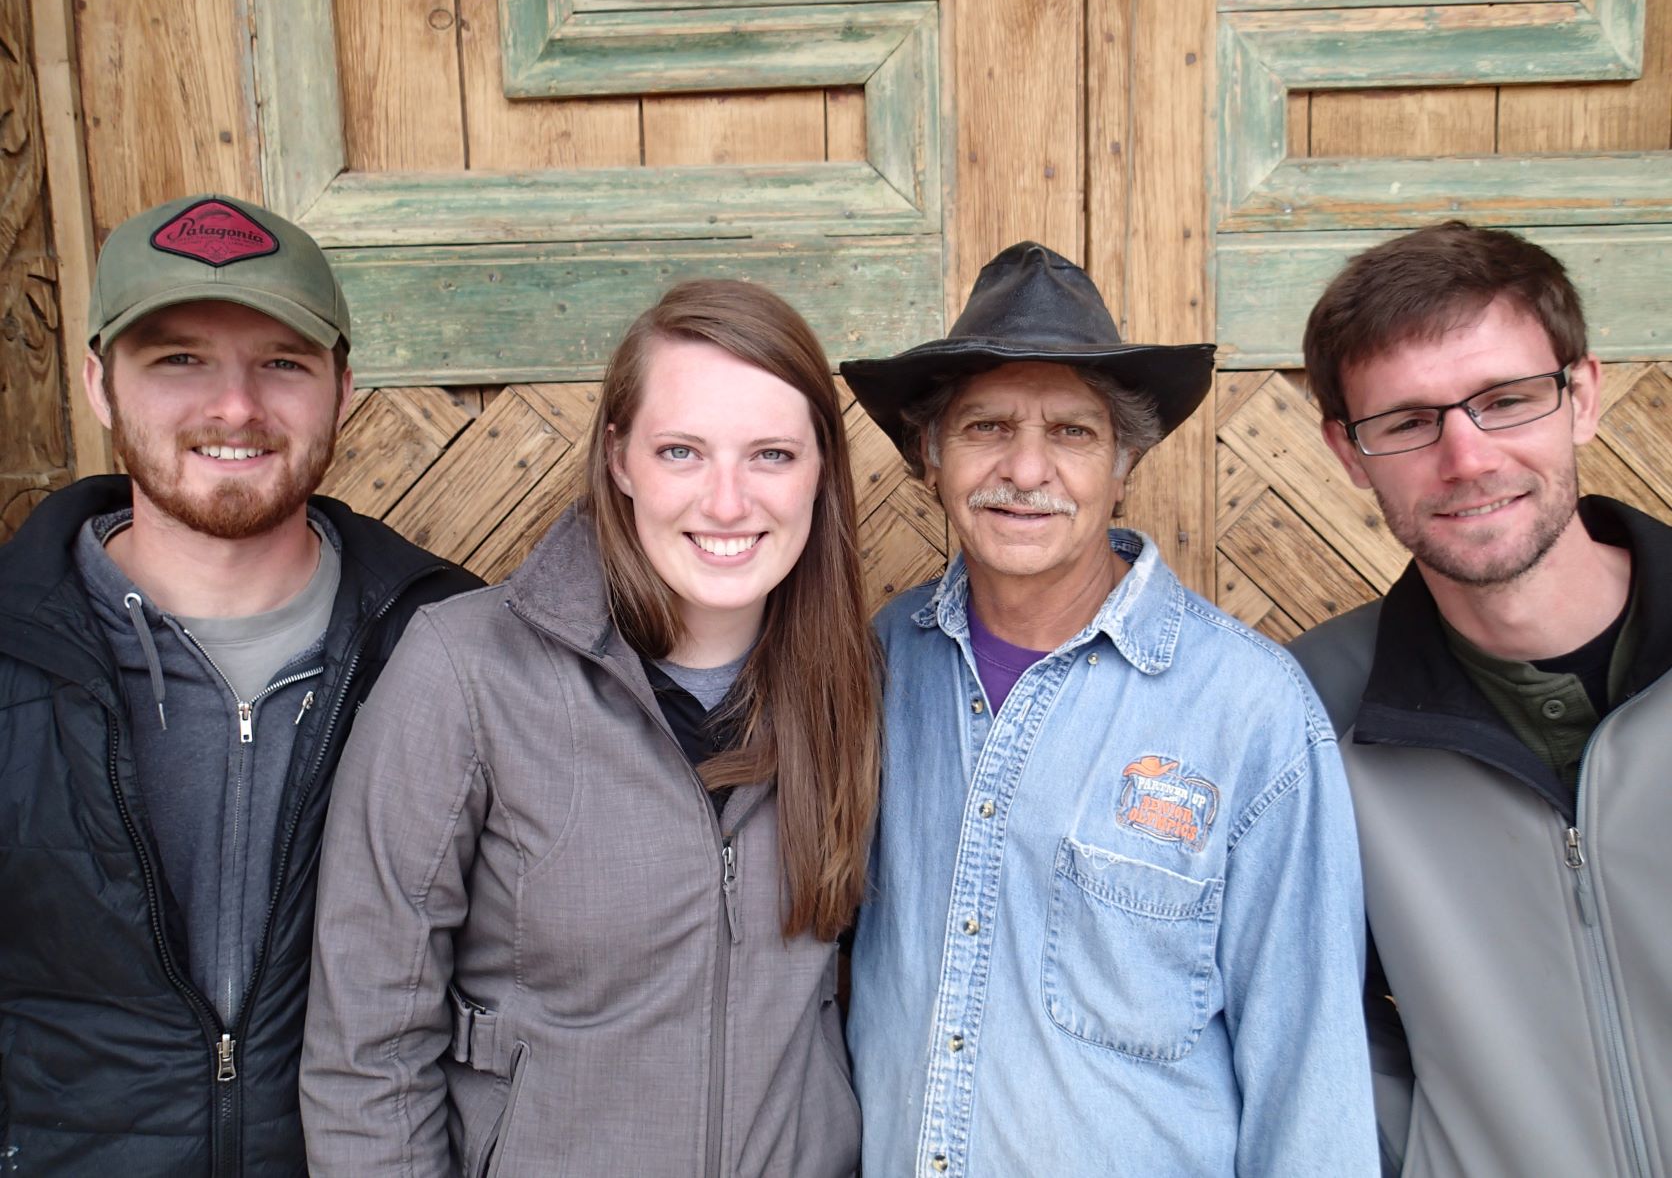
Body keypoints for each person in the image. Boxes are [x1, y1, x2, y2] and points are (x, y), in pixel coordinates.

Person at [300, 279, 880, 1176]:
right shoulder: (465, 672)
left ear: (820, 469)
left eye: (771, 454)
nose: (727, 503)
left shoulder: (857, 683)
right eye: (681, 451)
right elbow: (367, 1047)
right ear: (620, 460)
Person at [839, 241, 1377, 1176]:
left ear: (1125, 463)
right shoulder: (883, 663)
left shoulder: (1247, 707)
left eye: (1074, 434)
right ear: (931, 456)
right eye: (986, 428)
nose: (1028, 469)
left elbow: (1310, 1068)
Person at [0, 193, 479, 1174]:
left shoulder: (454, 648)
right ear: (99, 384)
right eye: (179, 358)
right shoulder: (12, 652)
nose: (235, 406)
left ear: (344, 388)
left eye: (282, 363)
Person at [1291, 221, 1672, 1178]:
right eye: (1409, 423)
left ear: (1581, 396)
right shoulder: (1302, 711)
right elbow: (1305, 1019)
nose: (1465, 458)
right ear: (1348, 451)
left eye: (1505, 400)